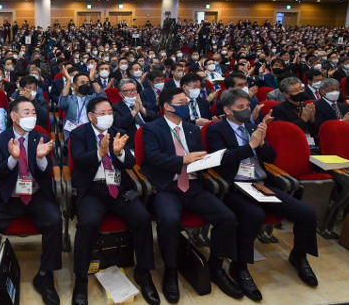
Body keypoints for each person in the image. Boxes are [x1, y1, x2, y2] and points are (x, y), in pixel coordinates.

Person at [206, 89, 319, 300]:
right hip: (234, 186)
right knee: (253, 215)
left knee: (306, 213)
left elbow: (270, 158)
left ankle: (299, 256)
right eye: (240, 107)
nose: (246, 110)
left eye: (247, 106)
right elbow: (222, 161)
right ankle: (239, 267)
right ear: (227, 111)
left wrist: (263, 143)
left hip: (259, 182)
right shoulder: (216, 131)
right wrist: (250, 146)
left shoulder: (252, 126)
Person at [139, 87, 241, 302]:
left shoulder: (192, 128)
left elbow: (198, 157)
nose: (186, 106)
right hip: (168, 186)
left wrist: (207, 160)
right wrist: (182, 160)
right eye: (182, 102)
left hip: (194, 185)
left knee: (228, 218)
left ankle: (216, 267)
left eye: (186, 102)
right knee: (169, 220)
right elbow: (153, 158)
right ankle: (171, 270)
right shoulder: (151, 129)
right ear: (167, 106)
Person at [70, 97, 158, 305]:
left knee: (142, 218)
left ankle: (143, 273)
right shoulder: (79, 134)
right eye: (102, 113)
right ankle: (81, 279)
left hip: (118, 189)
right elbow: (80, 162)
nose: (108, 116)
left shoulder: (120, 131)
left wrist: (117, 152)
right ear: (91, 116)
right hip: (92, 189)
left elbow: (130, 163)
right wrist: (100, 152)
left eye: (110, 111)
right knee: (88, 224)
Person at [0, 97, 60, 305]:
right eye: (26, 112)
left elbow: (47, 172)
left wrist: (42, 158)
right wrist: (13, 158)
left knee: (54, 220)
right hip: (11, 197)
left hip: (36, 194)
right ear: (14, 116)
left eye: (33, 112)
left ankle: (45, 274)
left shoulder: (40, 136)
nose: (32, 116)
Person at [58, 66, 105, 142]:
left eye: (87, 83)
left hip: (91, 131)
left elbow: (102, 96)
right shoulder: (69, 99)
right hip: (73, 132)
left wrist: (93, 80)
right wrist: (68, 81)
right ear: (74, 86)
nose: (86, 85)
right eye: (82, 82)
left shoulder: (92, 98)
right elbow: (62, 104)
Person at [112, 78, 157, 145]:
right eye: (128, 91)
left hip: (150, 136)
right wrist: (134, 112)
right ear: (121, 94)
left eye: (134, 90)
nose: (132, 93)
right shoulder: (116, 107)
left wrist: (142, 110)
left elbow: (156, 118)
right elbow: (119, 124)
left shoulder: (145, 104)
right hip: (132, 139)